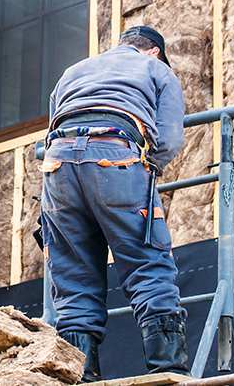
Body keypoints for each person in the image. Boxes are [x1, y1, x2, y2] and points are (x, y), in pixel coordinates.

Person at [40, 25, 188, 381]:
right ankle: (166, 371)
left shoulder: (72, 72)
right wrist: (144, 169)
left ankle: (80, 374)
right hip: (116, 155)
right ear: (154, 51)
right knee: (147, 263)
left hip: (57, 165)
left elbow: (51, 128)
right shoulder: (156, 69)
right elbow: (168, 139)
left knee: (74, 275)